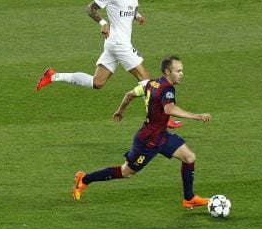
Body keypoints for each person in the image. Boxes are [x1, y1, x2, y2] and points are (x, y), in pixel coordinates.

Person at [36, 0, 182, 129]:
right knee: (146, 80)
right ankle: (163, 119)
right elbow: (90, 9)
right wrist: (103, 23)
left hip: (115, 44)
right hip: (118, 43)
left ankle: (53, 76)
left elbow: (132, 8)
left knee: (97, 82)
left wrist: (138, 16)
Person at [72, 55, 210, 209]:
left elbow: (129, 94)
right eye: (178, 71)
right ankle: (84, 179)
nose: (181, 74)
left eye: (181, 70)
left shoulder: (152, 83)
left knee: (189, 157)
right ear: (167, 72)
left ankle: (189, 198)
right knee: (126, 172)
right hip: (148, 140)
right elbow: (169, 108)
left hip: (160, 135)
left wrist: (120, 111)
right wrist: (197, 116)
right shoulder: (168, 89)